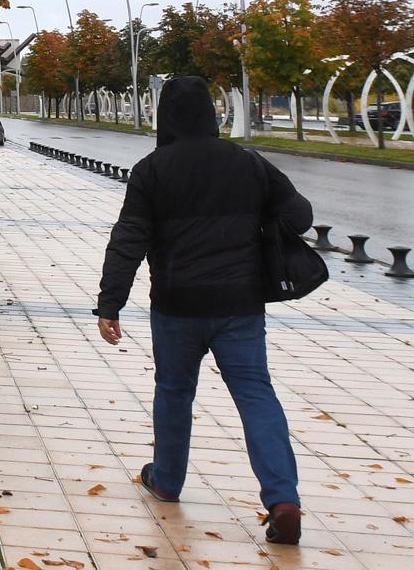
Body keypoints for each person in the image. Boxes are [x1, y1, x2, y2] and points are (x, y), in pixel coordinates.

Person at [93, 75, 313, 546]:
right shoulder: (248, 163)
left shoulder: (152, 169)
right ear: (211, 114)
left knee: (174, 391)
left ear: (165, 115)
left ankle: (167, 480)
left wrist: (111, 302)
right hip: (240, 305)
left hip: (177, 306)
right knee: (256, 394)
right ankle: (283, 499)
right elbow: (300, 216)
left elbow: (129, 239)